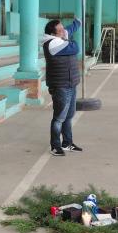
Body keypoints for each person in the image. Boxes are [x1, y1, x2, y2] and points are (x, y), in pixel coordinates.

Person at [42, 19, 84, 156]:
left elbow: (69, 30)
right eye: (60, 29)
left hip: (70, 83)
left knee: (69, 116)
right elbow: (75, 47)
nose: (63, 30)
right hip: (61, 86)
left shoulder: (59, 38)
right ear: (54, 33)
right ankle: (55, 146)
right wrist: (68, 37)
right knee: (59, 118)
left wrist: (77, 23)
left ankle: (67, 143)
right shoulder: (53, 44)